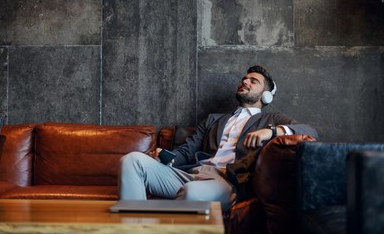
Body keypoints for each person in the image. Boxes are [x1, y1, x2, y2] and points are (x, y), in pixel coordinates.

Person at [118, 65, 318, 211]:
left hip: (226, 181)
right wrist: (166, 156)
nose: (245, 81)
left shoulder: (270, 119)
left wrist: (271, 131)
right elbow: (187, 151)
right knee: (132, 160)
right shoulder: (214, 119)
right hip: (192, 173)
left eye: (253, 81)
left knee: (192, 193)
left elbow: (310, 131)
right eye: (244, 79)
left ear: (266, 96)